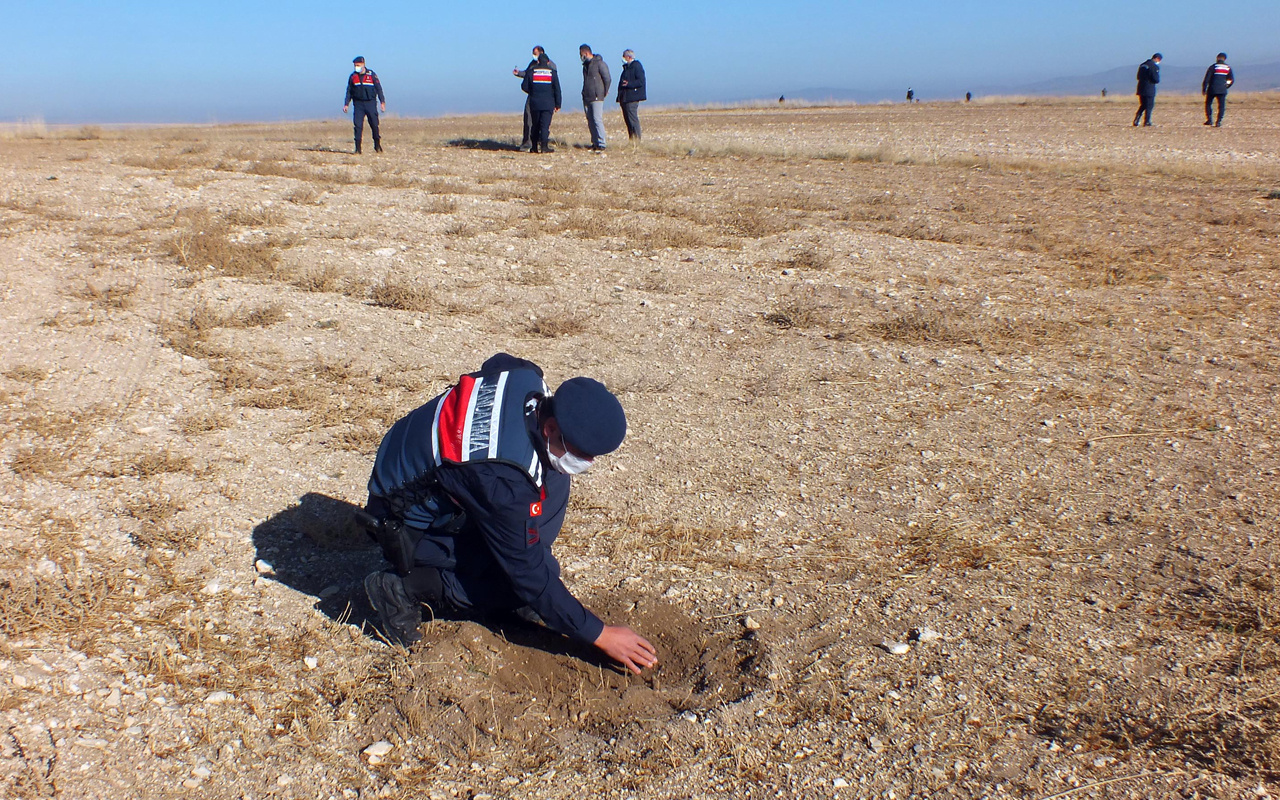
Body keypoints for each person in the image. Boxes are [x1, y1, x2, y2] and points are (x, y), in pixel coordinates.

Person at [361, 353, 658, 675]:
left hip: (418, 460)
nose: (588, 463)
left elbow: (496, 362)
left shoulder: (525, 378)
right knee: (514, 583)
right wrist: (598, 634)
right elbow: (526, 572)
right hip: (404, 520)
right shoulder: (505, 483)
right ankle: (405, 587)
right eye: (581, 453)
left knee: (552, 480)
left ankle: (529, 572)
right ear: (551, 425)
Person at [513, 46, 557, 152]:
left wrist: (555, 101)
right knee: (529, 120)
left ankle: (542, 144)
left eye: (535, 53)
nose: (534, 55)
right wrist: (518, 73)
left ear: (541, 53)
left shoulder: (551, 65)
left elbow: (555, 84)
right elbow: (528, 75)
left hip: (546, 99)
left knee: (543, 123)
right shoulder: (532, 64)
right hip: (533, 97)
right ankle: (528, 143)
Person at [343, 56, 386, 154]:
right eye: (355, 65)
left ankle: (377, 145)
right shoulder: (353, 76)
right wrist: (346, 104)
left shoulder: (371, 75)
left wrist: (382, 101)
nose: (356, 67)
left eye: (358, 65)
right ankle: (358, 149)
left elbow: (379, 88)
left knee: (374, 125)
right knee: (358, 126)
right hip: (358, 104)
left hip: (370, 103)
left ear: (363, 64)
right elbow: (349, 91)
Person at [521, 53, 562, 153]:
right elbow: (557, 89)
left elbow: (524, 86)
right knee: (544, 126)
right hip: (548, 103)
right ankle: (544, 147)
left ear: (538, 61)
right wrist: (558, 104)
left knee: (535, 125)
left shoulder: (531, 72)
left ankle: (534, 147)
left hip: (535, 103)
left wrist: (533, 92)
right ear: (548, 62)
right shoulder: (552, 73)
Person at [580, 44, 612, 151]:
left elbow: (607, 78)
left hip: (597, 95)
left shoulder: (599, 63)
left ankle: (602, 143)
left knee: (597, 119)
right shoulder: (585, 65)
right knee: (590, 120)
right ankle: (594, 142)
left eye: (581, 54)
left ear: (586, 53)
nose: (580, 57)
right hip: (587, 96)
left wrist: (604, 91)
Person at [616, 50, 647, 141]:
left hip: (632, 98)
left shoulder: (636, 66)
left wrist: (629, 84)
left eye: (624, 56)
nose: (622, 58)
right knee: (628, 120)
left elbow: (641, 81)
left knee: (633, 119)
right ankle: (632, 140)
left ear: (629, 57)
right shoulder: (626, 68)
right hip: (624, 98)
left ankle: (637, 140)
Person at [1202, 53, 1235, 127]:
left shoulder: (1213, 67)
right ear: (1225, 59)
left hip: (1212, 89)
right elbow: (1231, 80)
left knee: (1208, 104)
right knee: (1221, 106)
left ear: (1217, 58)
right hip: (1222, 90)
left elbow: (1207, 79)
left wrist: (1204, 88)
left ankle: (1209, 120)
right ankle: (1219, 121)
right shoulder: (1227, 68)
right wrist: (1226, 86)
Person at [1133, 53, 1162, 127]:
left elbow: (1138, 77)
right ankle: (1147, 121)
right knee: (1149, 105)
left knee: (1143, 105)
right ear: (1157, 58)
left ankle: (1136, 119)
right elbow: (1156, 79)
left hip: (1141, 88)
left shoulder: (1142, 65)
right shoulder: (1153, 66)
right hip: (1149, 89)